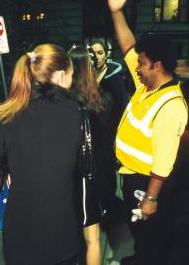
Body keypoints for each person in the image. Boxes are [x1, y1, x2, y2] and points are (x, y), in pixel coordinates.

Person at [0, 43, 83, 265]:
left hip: (21, 239)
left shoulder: (6, 117)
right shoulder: (78, 113)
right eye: (71, 74)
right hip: (63, 235)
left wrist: (5, 171)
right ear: (61, 75)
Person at [106, 0, 188, 265]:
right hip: (133, 178)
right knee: (141, 231)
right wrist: (116, 11)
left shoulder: (171, 105)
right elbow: (128, 45)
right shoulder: (147, 86)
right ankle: (141, 256)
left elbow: (164, 161)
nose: (136, 67)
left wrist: (151, 198)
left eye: (141, 63)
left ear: (158, 65)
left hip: (148, 184)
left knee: (152, 234)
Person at [68, 45, 103, 265]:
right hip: (93, 171)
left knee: (73, 233)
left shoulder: (68, 102)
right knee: (93, 238)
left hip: (74, 173)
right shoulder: (99, 98)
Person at [89, 39, 128, 220]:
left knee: (106, 169)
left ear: (107, 54)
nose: (97, 57)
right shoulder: (87, 75)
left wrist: (117, 134)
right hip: (92, 131)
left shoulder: (114, 76)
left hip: (109, 131)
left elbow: (121, 105)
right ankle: (100, 202)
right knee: (96, 170)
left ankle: (110, 205)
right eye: (93, 53)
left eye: (100, 52)